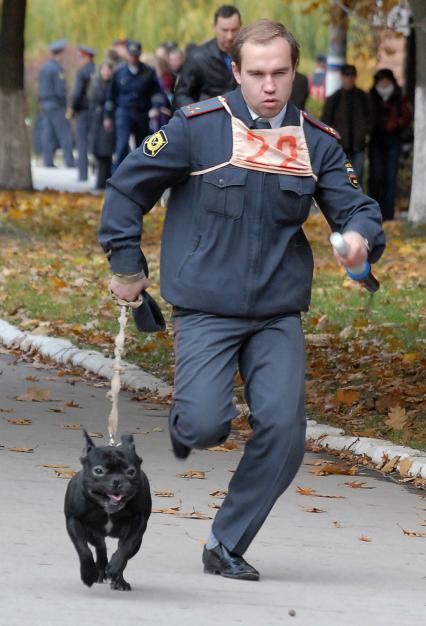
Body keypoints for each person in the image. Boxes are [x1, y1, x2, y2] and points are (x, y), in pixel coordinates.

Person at [99, 19, 385, 581]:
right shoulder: (197, 127)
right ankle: (195, 420)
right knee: (205, 425)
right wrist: (126, 263)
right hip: (206, 306)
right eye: (256, 73)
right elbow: (127, 185)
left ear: (295, 72)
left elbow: (357, 208)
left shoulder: (316, 141)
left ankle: (225, 542)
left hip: (277, 312)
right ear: (237, 71)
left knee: (284, 432)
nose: (270, 85)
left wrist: (359, 242)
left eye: (280, 72)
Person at [104, 39, 164, 169]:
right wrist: (108, 116)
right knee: (121, 146)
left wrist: (156, 107)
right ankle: (117, 178)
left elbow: (157, 93)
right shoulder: (119, 72)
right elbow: (111, 96)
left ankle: (140, 177)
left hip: (142, 113)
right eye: (131, 55)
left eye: (136, 55)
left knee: (142, 147)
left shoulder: (148, 72)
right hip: (124, 112)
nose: (133, 58)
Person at [173, 5, 241, 108]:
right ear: (214, 27)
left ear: (241, 26)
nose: (229, 36)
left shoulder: (248, 54)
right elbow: (181, 95)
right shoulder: (197, 57)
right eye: (225, 30)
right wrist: (198, 113)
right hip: (210, 116)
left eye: (234, 30)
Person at [368, 68, 412, 221]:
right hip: (376, 140)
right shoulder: (371, 95)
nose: (384, 83)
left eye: (387, 80)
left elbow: (407, 116)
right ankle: (374, 211)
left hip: (393, 139)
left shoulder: (399, 96)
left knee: (390, 177)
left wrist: (396, 124)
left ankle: (388, 214)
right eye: (382, 80)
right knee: (376, 176)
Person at [321, 64, 370, 184]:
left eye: (352, 75)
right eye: (347, 75)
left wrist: (365, 132)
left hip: (358, 146)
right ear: (342, 77)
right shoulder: (334, 98)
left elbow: (370, 117)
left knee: (356, 179)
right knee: (343, 179)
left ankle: (355, 202)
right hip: (341, 147)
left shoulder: (363, 97)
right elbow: (325, 122)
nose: (350, 78)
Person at [38, 39, 75, 167]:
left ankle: (47, 161)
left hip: (45, 104)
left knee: (48, 132)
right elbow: (60, 90)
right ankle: (69, 160)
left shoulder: (44, 67)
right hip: (56, 105)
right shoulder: (57, 69)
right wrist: (65, 104)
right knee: (64, 133)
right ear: (60, 53)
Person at [88, 61, 115, 190]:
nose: (106, 73)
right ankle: (100, 183)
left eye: (108, 70)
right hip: (97, 122)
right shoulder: (96, 84)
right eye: (104, 70)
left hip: (107, 122)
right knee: (100, 154)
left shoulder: (112, 85)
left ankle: (103, 183)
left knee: (106, 154)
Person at [71, 45, 96, 181]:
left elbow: (77, 94)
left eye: (80, 57)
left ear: (86, 57)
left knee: (81, 143)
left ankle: (82, 174)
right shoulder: (96, 69)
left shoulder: (82, 72)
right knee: (95, 142)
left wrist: (73, 109)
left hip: (82, 111)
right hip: (95, 112)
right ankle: (97, 172)